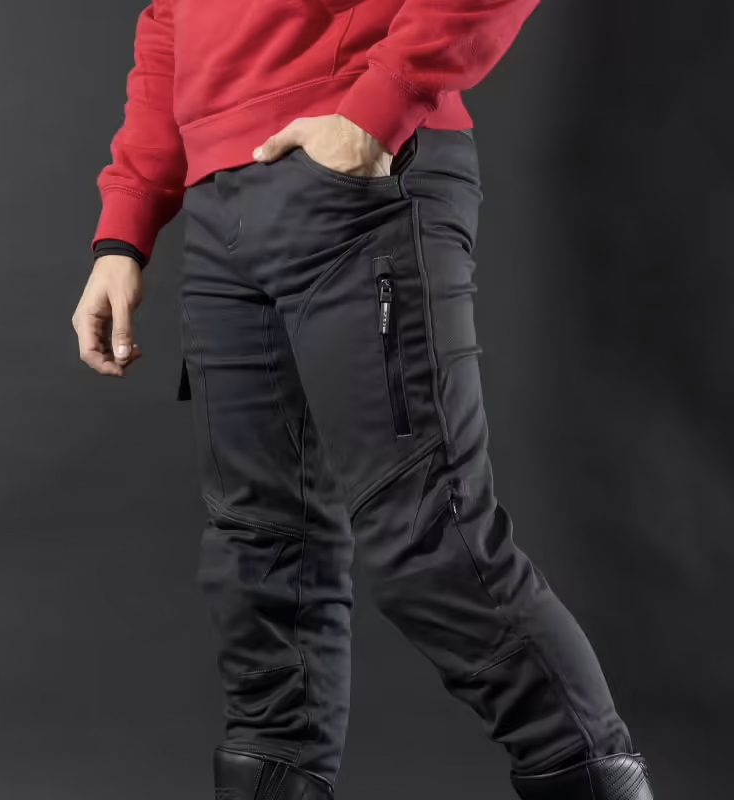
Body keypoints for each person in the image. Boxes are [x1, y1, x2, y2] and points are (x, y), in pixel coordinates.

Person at [71, 2, 655, 798]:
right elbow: (170, 19)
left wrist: (377, 109)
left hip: (355, 184)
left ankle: (592, 775)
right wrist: (124, 229)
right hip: (218, 210)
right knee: (257, 555)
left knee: (429, 537)